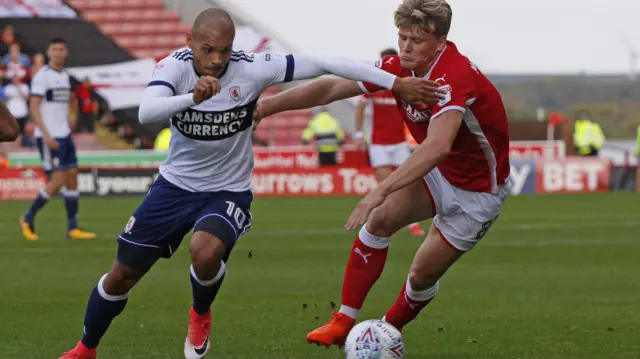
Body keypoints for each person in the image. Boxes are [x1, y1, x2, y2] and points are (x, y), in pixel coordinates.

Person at [57, 8, 444, 359]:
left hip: (228, 189)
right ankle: (85, 348)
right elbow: (147, 111)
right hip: (173, 187)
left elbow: (328, 62)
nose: (217, 60)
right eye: (208, 50)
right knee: (122, 274)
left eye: (225, 50)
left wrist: (395, 84)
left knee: (205, 251)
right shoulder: (172, 68)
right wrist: (190, 97)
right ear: (188, 43)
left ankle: (200, 314)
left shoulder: (254, 67)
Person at [256, 0, 510, 348]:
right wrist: (267, 106)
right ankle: (344, 320)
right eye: (402, 37)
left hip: (478, 191)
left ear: (440, 41)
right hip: (440, 174)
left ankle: (382, 335)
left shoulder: (454, 75)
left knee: (421, 277)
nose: (405, 47)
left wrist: (379, 189)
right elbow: (332, 86)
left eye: (416, 41)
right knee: (380, 218)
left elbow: (438, 146)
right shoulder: (397, 68)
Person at [19, 38, 96, 241]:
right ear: (48, 52)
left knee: (72, 177)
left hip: (64, 134)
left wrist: (71, 123)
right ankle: (27, 218)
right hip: (49, 136)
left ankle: (72, 227)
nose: (58, 52)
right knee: (59, 180)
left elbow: (69, 102)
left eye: (62, 49)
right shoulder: (42, 77)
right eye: (54, 49)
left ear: (66, 52)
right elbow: (34, 107)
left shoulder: (64, 76)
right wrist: (46, 134)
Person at [355, 47, 425, 236]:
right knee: (385, 185)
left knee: (407, 184)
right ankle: (386, 221)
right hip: (378, 143)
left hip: (399, 143)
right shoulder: (374, 85)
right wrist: (359, 135)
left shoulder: (403, 85)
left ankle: (412, 223)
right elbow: (360, 107)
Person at [3, 75, 32, 147]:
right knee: (12, 129)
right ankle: (11, 145)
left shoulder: (24, 86)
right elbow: (5, 100)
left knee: (23, 130)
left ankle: (25, 143)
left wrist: (18, 87)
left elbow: (27, 98)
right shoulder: (8, 87)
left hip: (22, 111)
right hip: (12, 112)